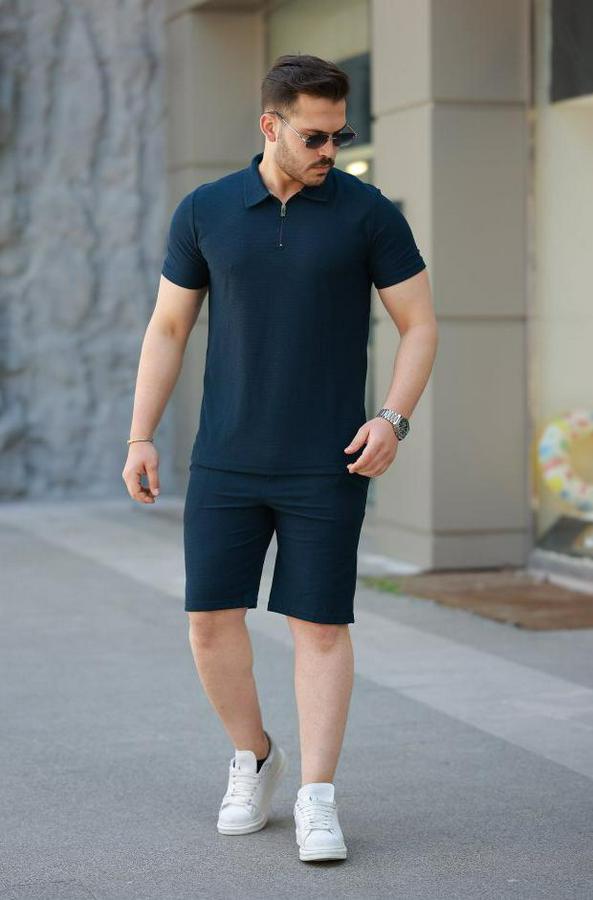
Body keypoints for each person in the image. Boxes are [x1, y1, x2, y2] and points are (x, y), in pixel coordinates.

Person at [122, 53, 438, 863]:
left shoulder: (367, 213)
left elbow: (419, 324)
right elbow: (168, 327)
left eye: (340, 136)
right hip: (226, 457)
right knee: (208, 623)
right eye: (314, 136)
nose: (330, 150)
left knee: (319, 628)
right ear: (270, 125)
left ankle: (317, 797)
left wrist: (392, 419)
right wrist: (140, 433)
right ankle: (255, 757)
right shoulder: (206, 210)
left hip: (329, 460)